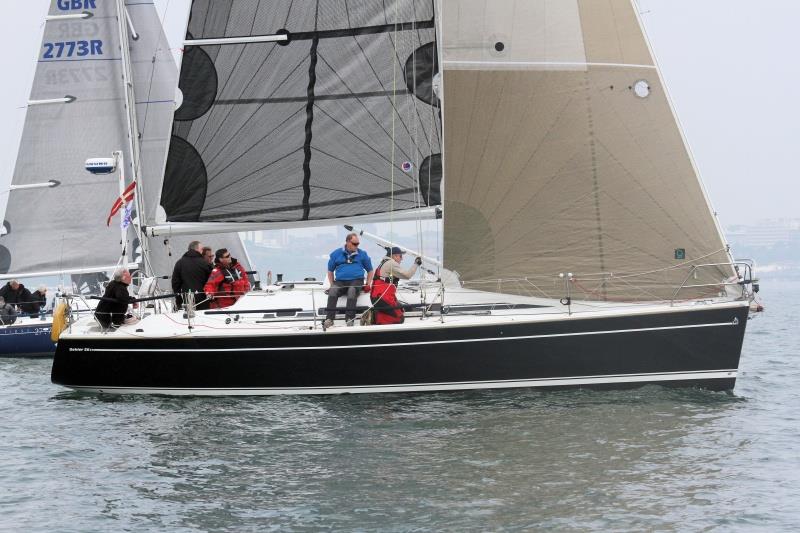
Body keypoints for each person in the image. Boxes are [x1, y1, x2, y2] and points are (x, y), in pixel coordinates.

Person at [324, 233, 374, 328]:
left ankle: (349, 319)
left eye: (358, 244)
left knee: (352, 291)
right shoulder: (336, 254)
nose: (357, 246)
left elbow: (370, 270)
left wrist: (368, 283)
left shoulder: (362, 254)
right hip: (340, 281)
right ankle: (329, 319)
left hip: (357, 281)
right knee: (333, 290)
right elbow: (330, 271)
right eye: (354, 243)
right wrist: (331, 284)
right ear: (347, 242)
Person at [370, 247, 421, 325]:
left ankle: (376, 315)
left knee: (401, 308)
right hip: (382, 298)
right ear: (394, 256)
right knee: (399, 318)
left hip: (378, 296)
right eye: (400, 256)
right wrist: (416, 264)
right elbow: (407, 275)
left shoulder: (384, 262)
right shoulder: (391, 263)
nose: (402, 259)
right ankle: (374, 317)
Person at [172, 240, 213, 309]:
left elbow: (175, 284)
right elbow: (212, 280)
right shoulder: (204, 263)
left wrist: (178, 301)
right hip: (203, 299)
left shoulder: (179, 263)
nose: (202, 251)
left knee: (190, 318)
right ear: (196, 249)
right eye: (201, 249)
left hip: (188, 300)